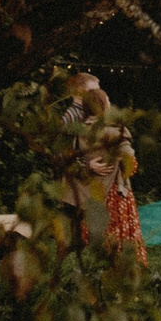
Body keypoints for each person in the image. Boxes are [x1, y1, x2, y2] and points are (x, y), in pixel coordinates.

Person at [64, 71, 144, 262]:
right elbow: (61, 154)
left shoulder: (81, 130)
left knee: (94, 238)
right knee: (118, 237)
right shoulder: (112, 132)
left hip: (89, 194)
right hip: (112, 193)